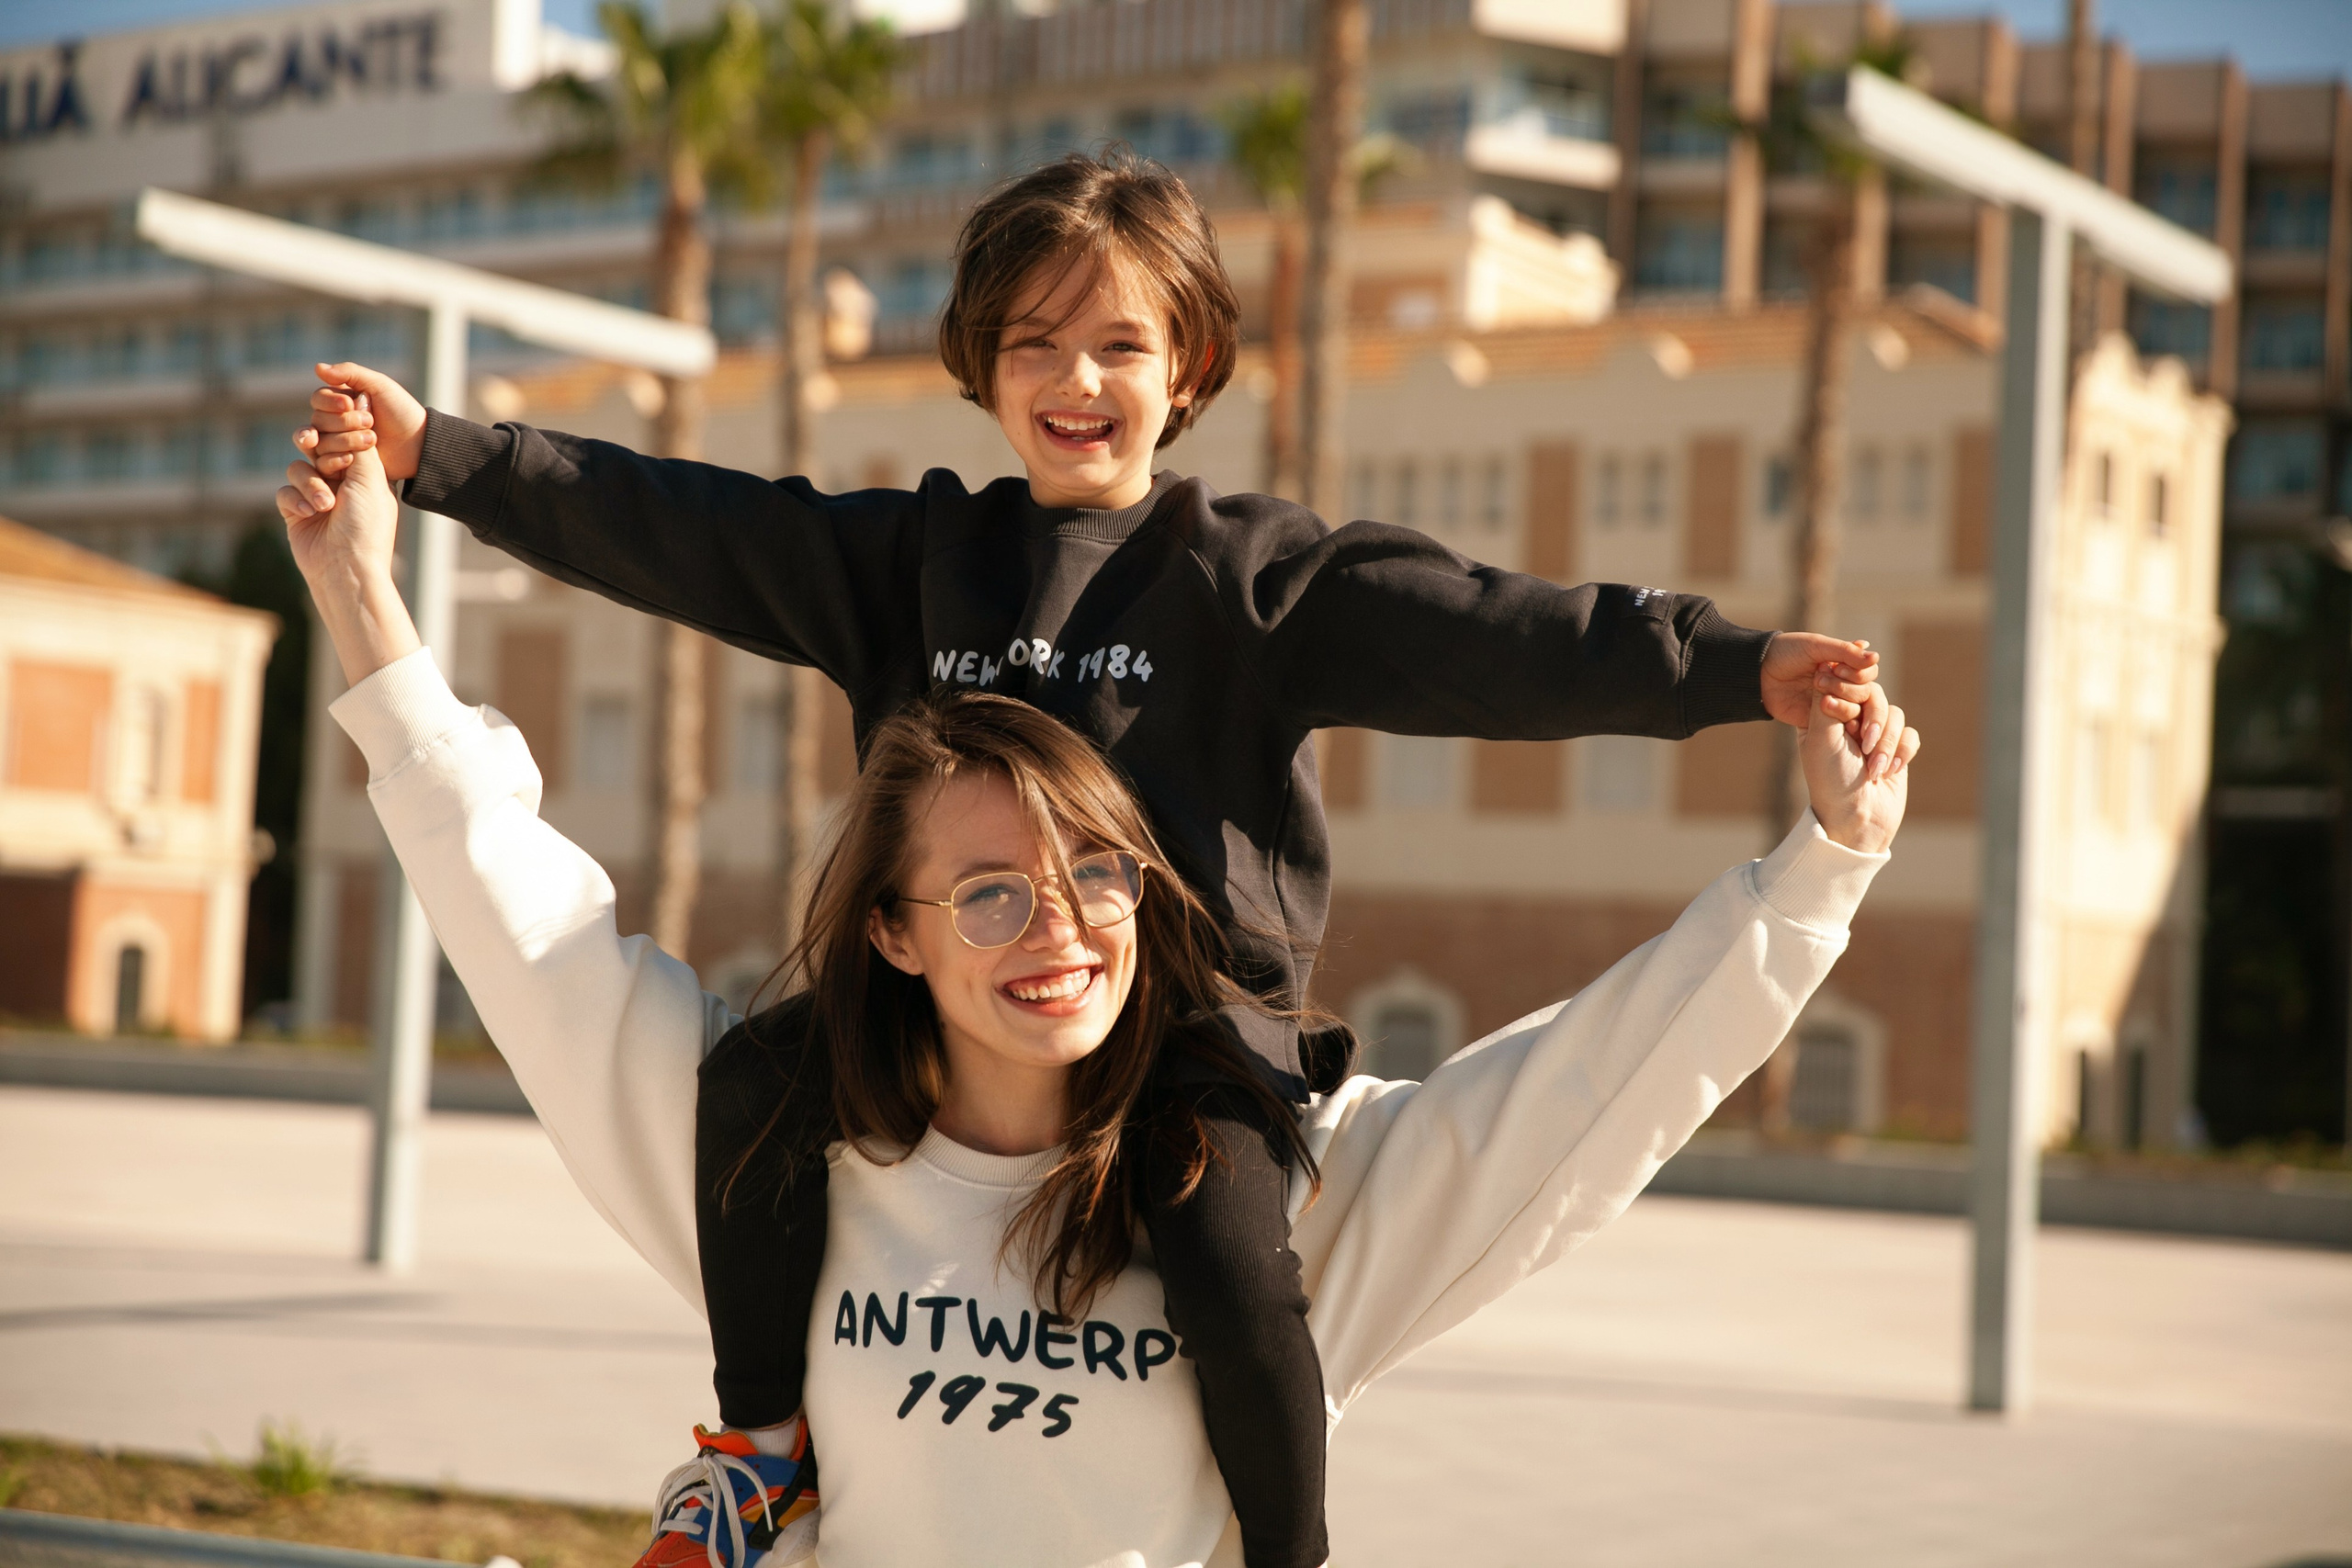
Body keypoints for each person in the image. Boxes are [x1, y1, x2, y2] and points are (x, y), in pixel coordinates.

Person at [280, 150, 1901, 1568]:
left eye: (1121, 342)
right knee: (756, 1085)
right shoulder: (921, 560)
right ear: (981, 369)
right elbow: (691, 529)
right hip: (928, 1015)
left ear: (1189, 364)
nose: (1078, 378)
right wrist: (445, 461)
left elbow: (1496, 635)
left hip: (1192, 1047)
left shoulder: (1253, 582)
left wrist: (1734, 667)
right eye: (1034, 343)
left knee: (1230, 1257)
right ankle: (756, 1456)